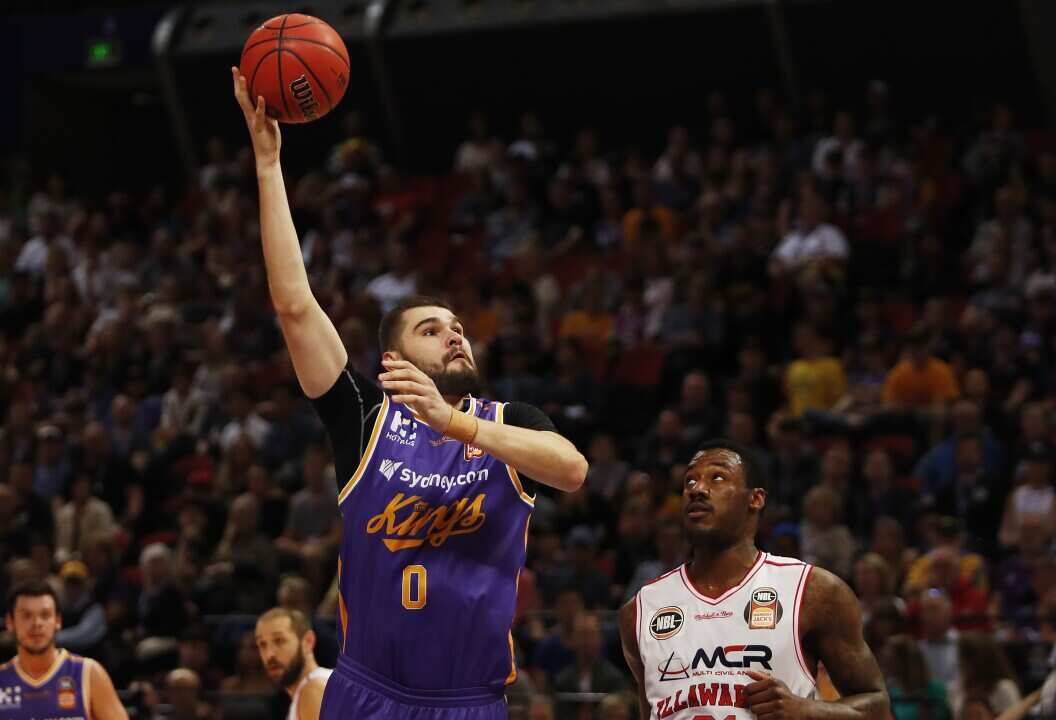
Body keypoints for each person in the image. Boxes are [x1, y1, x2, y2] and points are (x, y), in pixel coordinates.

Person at [232, 68, 588, 719]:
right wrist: (268, 166)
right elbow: (295, 306)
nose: (454, 336)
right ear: (394, 360)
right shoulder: (365, 419)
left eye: (458, 328)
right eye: (432, 329)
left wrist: (458, 425)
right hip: (369, 692)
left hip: (468, 701)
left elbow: (571, 470)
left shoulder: (508, 421)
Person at [618, 439, 890, 720]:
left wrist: (807, 711)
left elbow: (878, 707)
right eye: (690, 481)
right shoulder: (641, 609)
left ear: (756, 499)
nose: (697, 489)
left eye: (717, 478)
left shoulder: (813, 591)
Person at [0, 581, 128, 720]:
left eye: (45, 615)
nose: (37, 623)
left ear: (58, 621)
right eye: (27, 615)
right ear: (10, 622)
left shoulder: (89, 674)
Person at [255, 607, 332, 720]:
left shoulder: (312, 690)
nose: (269, 654)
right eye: (262, 644)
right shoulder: (312, 687)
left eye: (279, 641)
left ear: (308, 641)